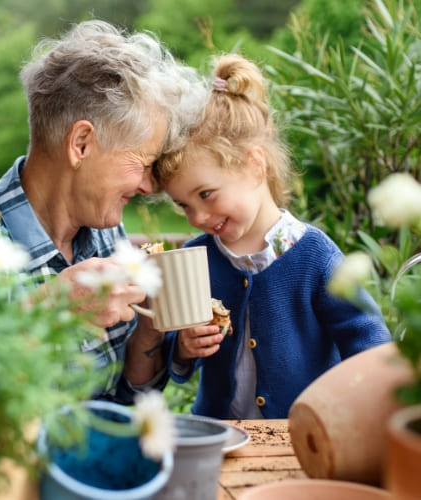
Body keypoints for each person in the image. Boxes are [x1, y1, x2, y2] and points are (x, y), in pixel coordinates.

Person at [0, 20, 207, 404]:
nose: (148, 187)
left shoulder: (103, 235)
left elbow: (125, 400)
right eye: (142, 163)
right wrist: (51, 310)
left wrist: (150, 328)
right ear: (81, 144)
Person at [153, 53, 391, 419]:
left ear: (254, 165)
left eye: (205, 195)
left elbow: (367, 340)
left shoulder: (314, 255)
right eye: (184, 205)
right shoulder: (197, 258)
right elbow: (176, 351)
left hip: (300, 439)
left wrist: (361, 408)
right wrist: (184, 347)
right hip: (220, 435)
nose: (197, 217)